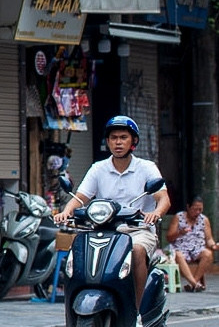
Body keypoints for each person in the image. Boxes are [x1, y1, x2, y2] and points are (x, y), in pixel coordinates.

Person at [53, 116, 170, 314]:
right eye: (113, 138)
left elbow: (163, 198)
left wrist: (155, 213)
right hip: (103, 230)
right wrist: (66, 211)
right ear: (107, 142)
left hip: (138, 230)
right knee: (78, 252)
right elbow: (81, 197)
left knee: (138, 251)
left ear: (133, 141)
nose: (118, 142)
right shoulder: (99, 168)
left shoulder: (146, 167)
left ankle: (136, 311)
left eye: (123, 137)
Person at [166, 195, 215, 293]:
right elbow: (169, 237)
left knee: (208, 254)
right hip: (180, 248)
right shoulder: (178, 217)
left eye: (200, 210)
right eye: (195, 209)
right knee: (178, 255)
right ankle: (195, 284)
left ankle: (192, 284)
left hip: (197, 248)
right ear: (188, 207)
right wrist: (180, 232)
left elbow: (209, 239)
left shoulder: (204, 219)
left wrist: (214, 245)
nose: (197, 212)